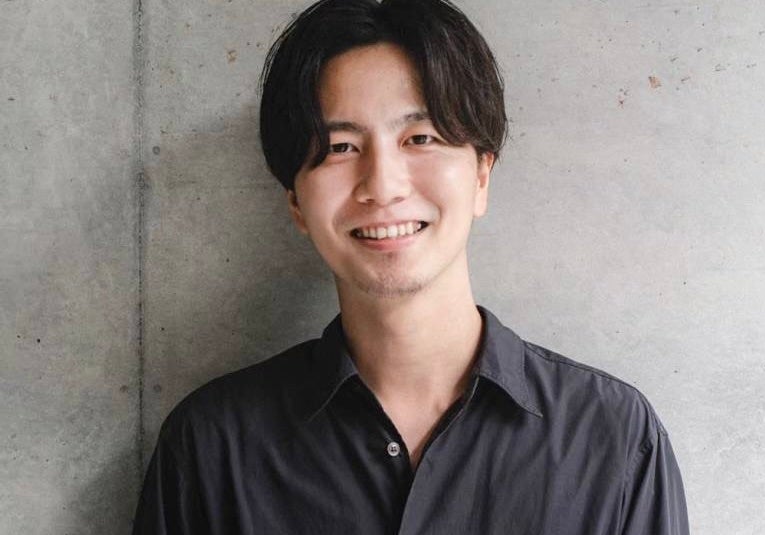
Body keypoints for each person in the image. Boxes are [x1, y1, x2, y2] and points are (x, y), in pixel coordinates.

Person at [133, 0, 690, 533]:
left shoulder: (614, 440)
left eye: (420, 138)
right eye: (340, 147)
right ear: (296, 203)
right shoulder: (211, 447)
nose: (383, 186)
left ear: (481, 176)